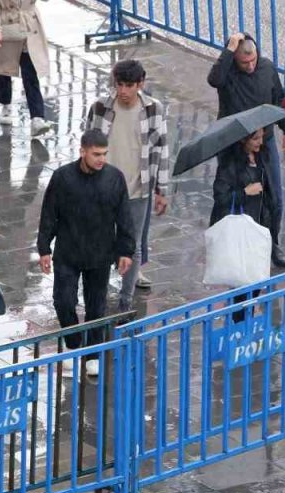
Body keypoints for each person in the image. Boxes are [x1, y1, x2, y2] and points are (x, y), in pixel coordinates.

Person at [37, 129, 135, 377]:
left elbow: (124, 217)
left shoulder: (114, 178)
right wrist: (43, 248)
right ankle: (73, 345)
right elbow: (49, 213)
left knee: (96, 306)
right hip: (68, 252)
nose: (101, 159)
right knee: (63, 301)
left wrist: (125, 250)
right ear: (82, 151)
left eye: (104, 154)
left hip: (100, 253)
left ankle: (92, 354)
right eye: (96, 154)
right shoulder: (62, 178)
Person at [84, 59, 171, 312]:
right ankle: (96, 295)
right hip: (102, 189)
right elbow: (88, 146)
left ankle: (125, 299)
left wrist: (161, 190)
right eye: (119, 85)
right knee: (99, 242)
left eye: (129, 85)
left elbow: (162, 150)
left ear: (140, 84)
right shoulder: (100, 108)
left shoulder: (154, 110)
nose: (123, 91)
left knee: (132, 245)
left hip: (138, 188)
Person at [207, 32, 285, 268]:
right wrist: (229, 49)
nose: (250, 65)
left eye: (253, 60)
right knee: (233, 197)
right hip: (233, 146)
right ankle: (230, 243)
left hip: (264, 142)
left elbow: (279, 99)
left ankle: (272, 242)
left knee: (274, 198)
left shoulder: (266, 68)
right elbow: (213, 79)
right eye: (244, 62)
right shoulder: (227, 73)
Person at [212, 128, 274, 322]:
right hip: (238, 232)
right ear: (243, 140)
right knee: (241, 282)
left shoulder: (262, 158)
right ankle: (238, 322)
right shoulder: (229, 165)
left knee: (256, 278)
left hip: (257, 226)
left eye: (262, 137)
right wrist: (245, 192)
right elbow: (220, 197)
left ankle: (246, 317)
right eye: (255, 138)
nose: (260, 142)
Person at [0, 0, 52, 137]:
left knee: (30, 73)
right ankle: (5, 104)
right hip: (6, 27)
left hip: (29, 28)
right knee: (3, 70)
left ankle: (37, 118)